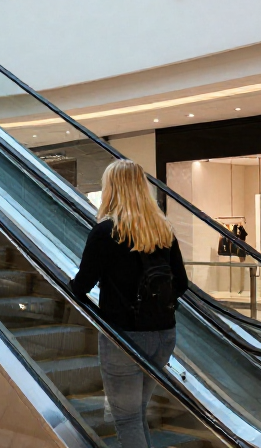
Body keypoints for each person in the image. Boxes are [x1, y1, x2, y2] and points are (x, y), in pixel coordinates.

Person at [70, 159, 188, 448]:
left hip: (124, 340)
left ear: (112, 189)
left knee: (127, 419)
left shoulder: (106, 232)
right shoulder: (163, 230)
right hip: (164, 336)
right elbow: (181, 284)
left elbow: (81, 286)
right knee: (136, 414)